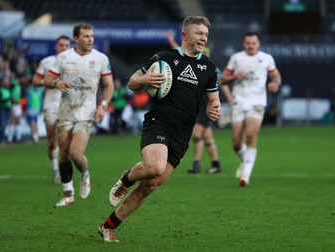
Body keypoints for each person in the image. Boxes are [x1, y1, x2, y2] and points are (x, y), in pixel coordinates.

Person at [98, 15, 220, 242]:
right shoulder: (164, 58)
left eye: (205, 34)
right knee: (154, 167)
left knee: (150, 186)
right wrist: (145, 80)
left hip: (181, 133)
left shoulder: (209, 68)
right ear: (185, 35)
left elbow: (213, 99)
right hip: (159, 123)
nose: (203, 38)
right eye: (199, 33)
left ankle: (108, 226)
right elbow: (132, 81)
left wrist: (214, 107)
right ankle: (126, 179)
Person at [43, 22, 114, 207]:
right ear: (76, 38)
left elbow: (109, 85)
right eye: (86, 36)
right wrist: (56, 83)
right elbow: (47, 79)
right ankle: (68, 194)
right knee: (64, 154)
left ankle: (85, 174)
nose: (90, 39)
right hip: (66, 111)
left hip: (87, 112)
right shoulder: (64, 58)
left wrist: (103, 105)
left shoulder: (101, 58)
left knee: (75, 153)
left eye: (92, 36)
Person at [220, 31, 282, 187]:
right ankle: (245, 160)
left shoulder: (267, 58)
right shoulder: (236, 58)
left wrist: (275, 84)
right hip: (239, 102)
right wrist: (235, 76)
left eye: (253, 43)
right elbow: (223, 79)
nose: (250, 46)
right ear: (244, 43)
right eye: (248, 43)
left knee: (251, 134)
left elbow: (276, 77)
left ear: (258, 43)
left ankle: (245, 176)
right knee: (236, 143)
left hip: (257, 102)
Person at [166, 31, 222, 174]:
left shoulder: (209, 68)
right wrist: (171, 41)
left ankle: (196, 164)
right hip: (199, 105)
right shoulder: (198, 64)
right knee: (207, 136)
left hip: (204, 105)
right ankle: (215, 164)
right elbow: (179, 52)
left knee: (197, 134)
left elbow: (219, 86)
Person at [32, 35, 71, 184]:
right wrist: (50, 82)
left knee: (66, 141)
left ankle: (62, 170)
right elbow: (35, 81)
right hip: (50, 105)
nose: (63, 48)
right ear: (56, 46)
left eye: (66, 45)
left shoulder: (74, 63)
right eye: (61, 45)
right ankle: (54, 168)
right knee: (52, 142)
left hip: (68, 106)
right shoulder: (46, 62)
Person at [0, 76, 12, 144]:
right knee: (2, 124)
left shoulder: (7, 89)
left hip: (7, 108)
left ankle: (2, 137)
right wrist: (7, 99)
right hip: (2, 109)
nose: (7, 83)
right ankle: (0, 139)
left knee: (4, 124)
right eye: (5, 82)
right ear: (2, 83)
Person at [7, 76, 22, 144]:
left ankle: (18, 137)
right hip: (13, 104)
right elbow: (9, 88)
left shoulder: (18, 85)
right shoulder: (13, 83)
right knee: (12, 121)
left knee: (17, 121)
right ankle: (10, 138)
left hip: (18, 104)